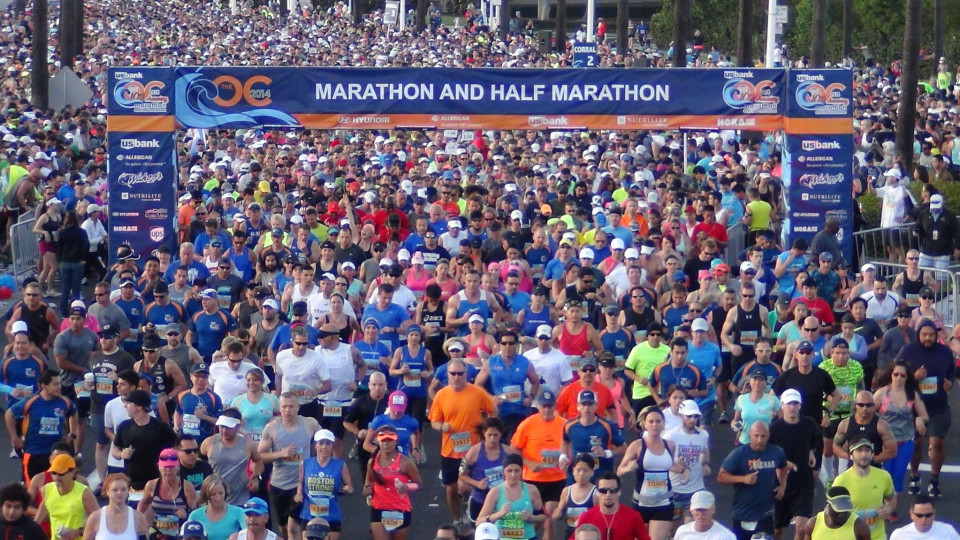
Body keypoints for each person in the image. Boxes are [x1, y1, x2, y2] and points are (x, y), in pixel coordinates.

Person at [428, 358, 496, 525]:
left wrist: (487, 430)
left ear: (466, 375)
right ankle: (457, 518)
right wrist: (441, 426)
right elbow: (434, 421)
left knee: (469, 485)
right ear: (448, 375)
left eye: (460, 374)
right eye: (453, 374)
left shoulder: (477, 393)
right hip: (450, 450)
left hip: (473, 450)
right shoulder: (441, 395)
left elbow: (492, 410)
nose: (457, 377)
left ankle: (472, 509)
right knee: (451, 489)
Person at [898, 319, 954, 498]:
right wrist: (914, 377)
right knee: (916, 445)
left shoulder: (944, 351)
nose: (928, 338)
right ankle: (914, 476)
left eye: (931, 335)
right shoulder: (908, 351)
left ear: (936, 335)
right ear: (918, 334)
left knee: (936, 444)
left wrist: (949, 383)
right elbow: (896, 376)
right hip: (914, 408)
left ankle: (934, 479)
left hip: (938, 407)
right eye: (924, 335)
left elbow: (952, 371)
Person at [258, 392, 321, 539]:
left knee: (295, 526)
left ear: (298, 407)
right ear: (279, 408)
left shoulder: (310, 423)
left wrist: (315, 463)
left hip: (301, 484)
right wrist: (280, 454)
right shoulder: (272, 428)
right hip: (279, 484)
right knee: (284, 527)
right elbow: (259, 456)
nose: (287, 410)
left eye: (291, 406)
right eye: (284, 407)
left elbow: (324, 443)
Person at [617, 406, 686, 540]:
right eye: (651, 421)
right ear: (644, 424)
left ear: (663, 424)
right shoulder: (637, 445)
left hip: (664, 502)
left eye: (658, 421)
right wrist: (628, 468)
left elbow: (669, 465)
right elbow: (619, 471)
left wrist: (683, 469)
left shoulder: (670, 445)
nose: (655, 425)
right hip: (641, 503)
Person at [873, 360, 929, 519]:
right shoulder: (882, 393)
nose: (898, 378)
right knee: (886, 474)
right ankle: (886, 506)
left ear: (907, 377)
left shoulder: (912, 394)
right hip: (885, 442)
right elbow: (868, 410)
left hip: (905, 441)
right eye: (896, 374)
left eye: (902, 375)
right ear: (891, 375)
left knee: (898, 475)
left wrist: (919, 420)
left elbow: (924, 415)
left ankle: (891, 508)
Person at [717, 421, 789, 540]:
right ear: (750, 434)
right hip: (742, 513)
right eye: (756, 436)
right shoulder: (739, 454)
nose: (759, 440)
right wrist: (742, 479)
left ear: (768, 435)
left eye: (763, 436)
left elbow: (784, 466)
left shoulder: (776, 452)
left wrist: (782, 485)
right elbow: (721, 476)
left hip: (765, 514)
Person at [4, 369, 79, 482]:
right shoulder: (30, 402)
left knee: (56, 487)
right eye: (55, 384)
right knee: (32, 488)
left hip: (55, 454)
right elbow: (9, 414)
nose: (59, 387)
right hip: (34, 452)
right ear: (44, 386)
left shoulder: (64, 402)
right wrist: (14, 438)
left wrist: (71, 434)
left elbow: (74, 412)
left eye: (60, 383)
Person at [768, 389, 820, 540]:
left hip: (804, 483)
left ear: (800, 405)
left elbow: (815, 439)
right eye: (789, 403)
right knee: (778, 530)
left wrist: (811, 451)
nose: (792, 407)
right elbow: (768, 453)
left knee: (802, 528)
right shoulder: (774, 428)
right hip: (781, 484)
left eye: (795, 403)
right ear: (782, 405)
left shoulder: (809, 424)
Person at [474, 329, 539, 438]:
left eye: (511, 343)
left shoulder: (525, 362)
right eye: (504, 343)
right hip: (499, 412)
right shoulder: (491, 362)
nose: (507, 346)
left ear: (516, 345)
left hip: (520, 411)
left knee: (516, 445)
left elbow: (536, 382)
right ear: (500, 345)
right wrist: (491, 397)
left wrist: (531, 397)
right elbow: (478, 384)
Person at [112, 389, 178, 491]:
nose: (125, 406)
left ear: (139, 406)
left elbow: (177, 446)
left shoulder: (160, 427)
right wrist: (121, 454)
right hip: (131, 483)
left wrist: (167, 462)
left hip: (157, 482)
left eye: (129, 403)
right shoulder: (124, 426)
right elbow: (115, 449)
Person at [364, 426, 422, 540]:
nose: (386, 444)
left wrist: (406, 487)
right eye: (383, 440)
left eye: (389, 440)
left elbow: (419, 484)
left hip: (400, 509)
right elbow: (369, 480)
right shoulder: (372, 461)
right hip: (379, 507)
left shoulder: (406, 463)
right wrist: (367, 488)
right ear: (378, 441)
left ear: (396, 441)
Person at [832, 437, 896, 540]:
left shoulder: (884, 476)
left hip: (877, 536)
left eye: (867, 450)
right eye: (859, 450)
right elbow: (831, 512)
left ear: (871, 454)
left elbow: (891, 499)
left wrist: (888, 508)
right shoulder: (841, 481)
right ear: (851, 455)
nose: (864, 454)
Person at [297, 429, 353, 540]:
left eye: (328, 443)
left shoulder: (340, 465)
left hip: (331, 515)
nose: (324, 447)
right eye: (321, 443)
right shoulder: (306, 463)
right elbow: (300, 483)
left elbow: (350, 486)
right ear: (315, 446)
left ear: (333, 446)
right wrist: (298, 494)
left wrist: (347, 489)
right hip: (309, 514)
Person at [663, 400, 711, 528]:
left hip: (696, 489)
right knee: (671, 531)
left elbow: (704, 453)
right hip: (675, 490)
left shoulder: (703, 435)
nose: (693, 419)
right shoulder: (671, 436)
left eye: (695, 416)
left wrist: (705, 464)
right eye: (689, 416)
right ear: (681, 416)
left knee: (690, 531)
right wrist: (677, 464)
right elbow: (664, 462)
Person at [476, 453, 547, 539]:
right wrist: (498, 514)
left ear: (522, 471)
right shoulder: (495, 492)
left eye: (517, 471)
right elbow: (479, 521)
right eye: (509, 471)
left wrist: (531, 518)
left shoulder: (531, 490)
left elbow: (543, 516)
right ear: (503, 472)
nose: (513, 475)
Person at [200, 410, 262, 507]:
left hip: (240, 498)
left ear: (237, 427)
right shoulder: (209, 443)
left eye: (228, 427)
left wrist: (256, 478)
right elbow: (199, 462)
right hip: (213, 497)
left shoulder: (248, 443)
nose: (224, 431)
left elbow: (258, 461)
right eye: (222, 427)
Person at [563, 389, 625, 482]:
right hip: (576, 479)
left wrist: (607, 453)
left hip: (600, 478)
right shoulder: (570, 426)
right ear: (578, 406)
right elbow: (564, 442)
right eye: (583, 404)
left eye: (590, 404)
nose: (587, 408)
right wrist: (563, 456)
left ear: (596, 406)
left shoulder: (607, 426)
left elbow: (624, 448)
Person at [138, 448, 199, 538]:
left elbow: (197, 513)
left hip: (179, 534)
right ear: (159, 467)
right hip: (157, 534)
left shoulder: (186, 486)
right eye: (165, 467)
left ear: (177, 467)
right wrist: (139, 520)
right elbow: (143, 504)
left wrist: (187, 513)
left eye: (171, 467)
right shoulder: (152, 485)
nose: (168, 471)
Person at [36, 454, 99, 540]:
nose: (57, 477)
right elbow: (42, 511)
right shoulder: (47, 490)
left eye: (61, 474)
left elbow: (99, 518)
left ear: (73, 472)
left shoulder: (84, 493)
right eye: (54, 473)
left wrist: (78, 532)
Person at [573, 472, 651, 540]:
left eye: (612, 490)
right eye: (603, 490)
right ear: (597, 492)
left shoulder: (633, 516)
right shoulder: (586, 517)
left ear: (619, 492)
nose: (608, 494)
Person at [460, 417, 508, 525]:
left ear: (500, 434)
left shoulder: (508, 452)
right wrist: (477, 483)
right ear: (484, 433)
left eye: (495, 435)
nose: (492, 439)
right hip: (480, 499)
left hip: (500, 501)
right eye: (489, 435)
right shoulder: (473, 452)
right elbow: (461, 475)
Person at [83, 473, 150, 540]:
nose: (119, 493)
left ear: (128, 491)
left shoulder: (137, 517)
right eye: (115, 490)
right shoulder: (95, 517)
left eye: (123, 489)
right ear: (107, 491)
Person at [799, 486, 871, 540]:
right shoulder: (813, 524)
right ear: (828, 505)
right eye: (838, 510)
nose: (841, 515)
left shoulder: (860, 527)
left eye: (845, 510)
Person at [553, 454, 599, 539]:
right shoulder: (566, 491)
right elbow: (560, 511)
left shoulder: (596, 494)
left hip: (587, 535)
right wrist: (557, 513)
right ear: (573, 471)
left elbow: (599, 517)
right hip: (569, 534)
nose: (581, 474)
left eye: (585, 470)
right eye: (578, 470)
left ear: (592, 472)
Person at [187, 476, 246, 540]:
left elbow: (248, 533)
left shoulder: (238, 512)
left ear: (225, 492)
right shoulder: (195, 515)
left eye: (220, 493)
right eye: (213, 494)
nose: (218, 498)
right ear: (207, 495)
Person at [890, 494, 960, 540]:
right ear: (911, 514)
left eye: (928, 515)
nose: (923, 520)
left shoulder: (949, 532)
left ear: (934, 513)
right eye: (919, 515)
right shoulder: (898, 535)